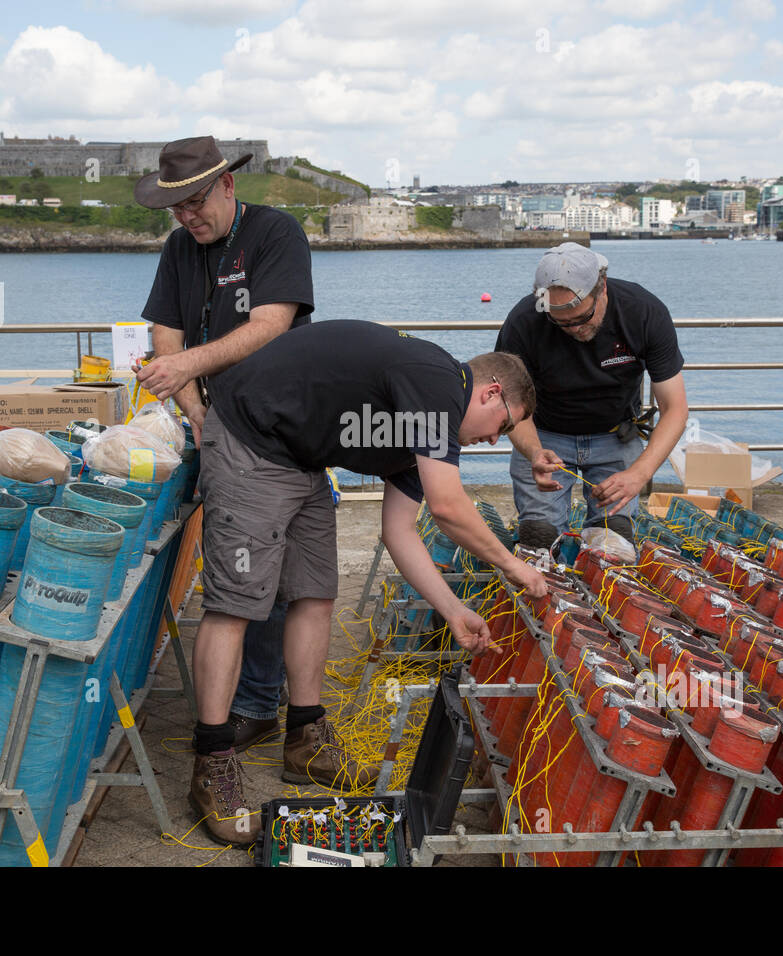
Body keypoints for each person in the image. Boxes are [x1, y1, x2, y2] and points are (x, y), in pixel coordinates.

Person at [179, 320, 548, 844]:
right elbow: (447, 507)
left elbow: (400, 533)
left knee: (315, 594)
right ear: (491, 392)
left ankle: (306, 739)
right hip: (250, 437)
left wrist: (452, 610)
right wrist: (514, 566)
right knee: (234, 605)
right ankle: (212, 762)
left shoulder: (428, 430)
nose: (494, 438)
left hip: (303, 457)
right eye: (503, 425)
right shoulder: (437, 382)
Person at [133, 135, 309, 757]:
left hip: (288, 427)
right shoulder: (179, 246)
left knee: (288, 578)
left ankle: (264, 702)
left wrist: (185, 371)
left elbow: (271, 326)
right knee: (243, 577)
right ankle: (255, 704)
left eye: (196, 202)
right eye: (176, 208)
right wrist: (198, 413)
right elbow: (164, 335)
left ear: (229, 184)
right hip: (223, 431)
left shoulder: (276, 232)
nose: (187, 217)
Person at [496, 243, 689, 556]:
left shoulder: (643, 311)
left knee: (615, 544)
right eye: (561, 321)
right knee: (539, 539)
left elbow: (675, 408)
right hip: (544, 434)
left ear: (602, 288)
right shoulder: (524, 320)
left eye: (582, 317)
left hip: (616, 435)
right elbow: (511, 407)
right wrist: (533, 452)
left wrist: (638, 475)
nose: (574, 329)